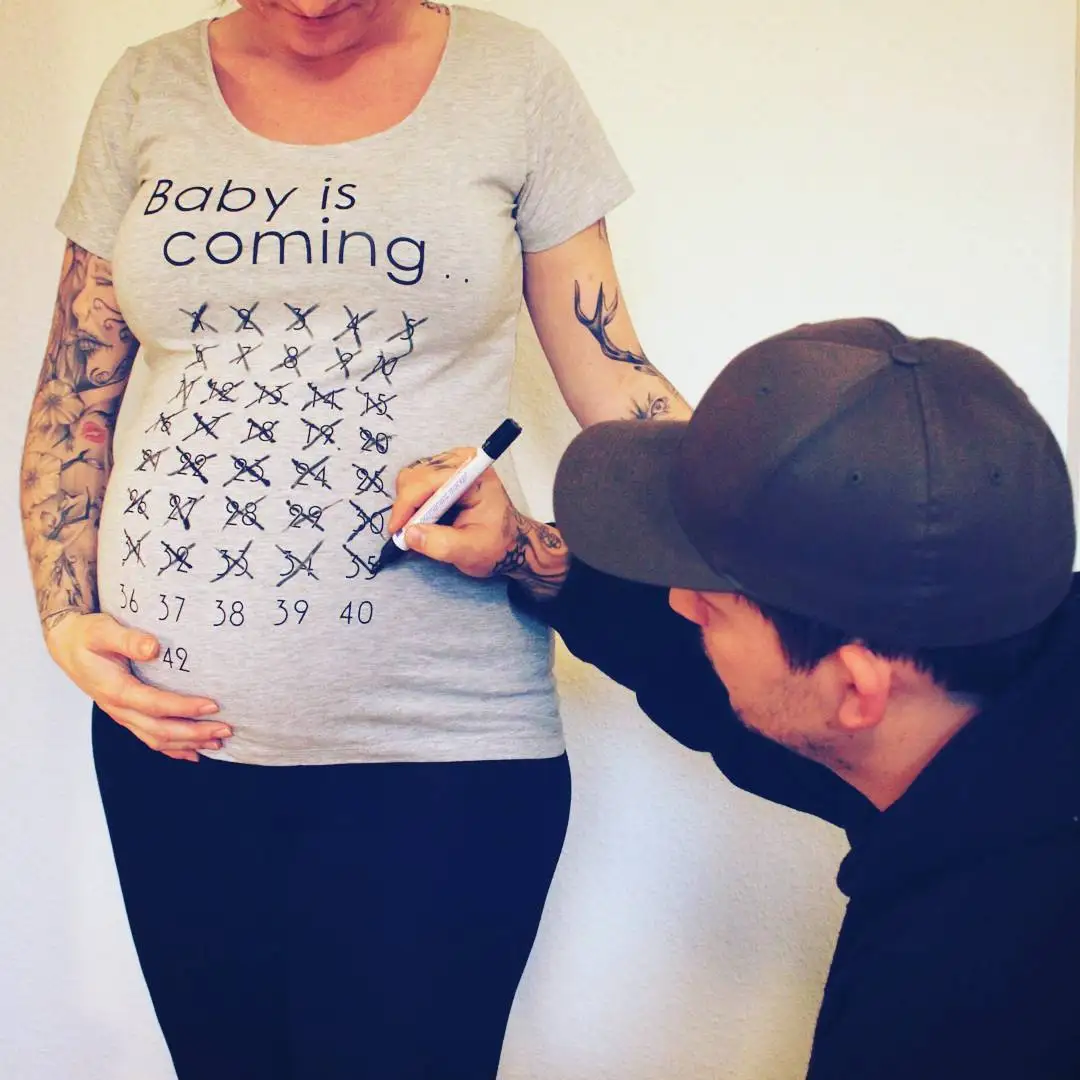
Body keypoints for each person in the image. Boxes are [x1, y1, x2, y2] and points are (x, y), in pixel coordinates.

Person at [18, 2, 691, 1077]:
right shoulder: (146, 86)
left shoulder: (512, 77)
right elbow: (74, 385)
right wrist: (62, 614)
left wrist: (770, 529)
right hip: (173, 747)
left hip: (443, 746)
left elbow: (614, 375)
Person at [390, 316, 1080, 1079]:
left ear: (858, 690)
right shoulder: (993, 694)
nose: (679, 604)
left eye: (712, 604)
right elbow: (714, 679)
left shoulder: (958, 1013)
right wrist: (531, 555)